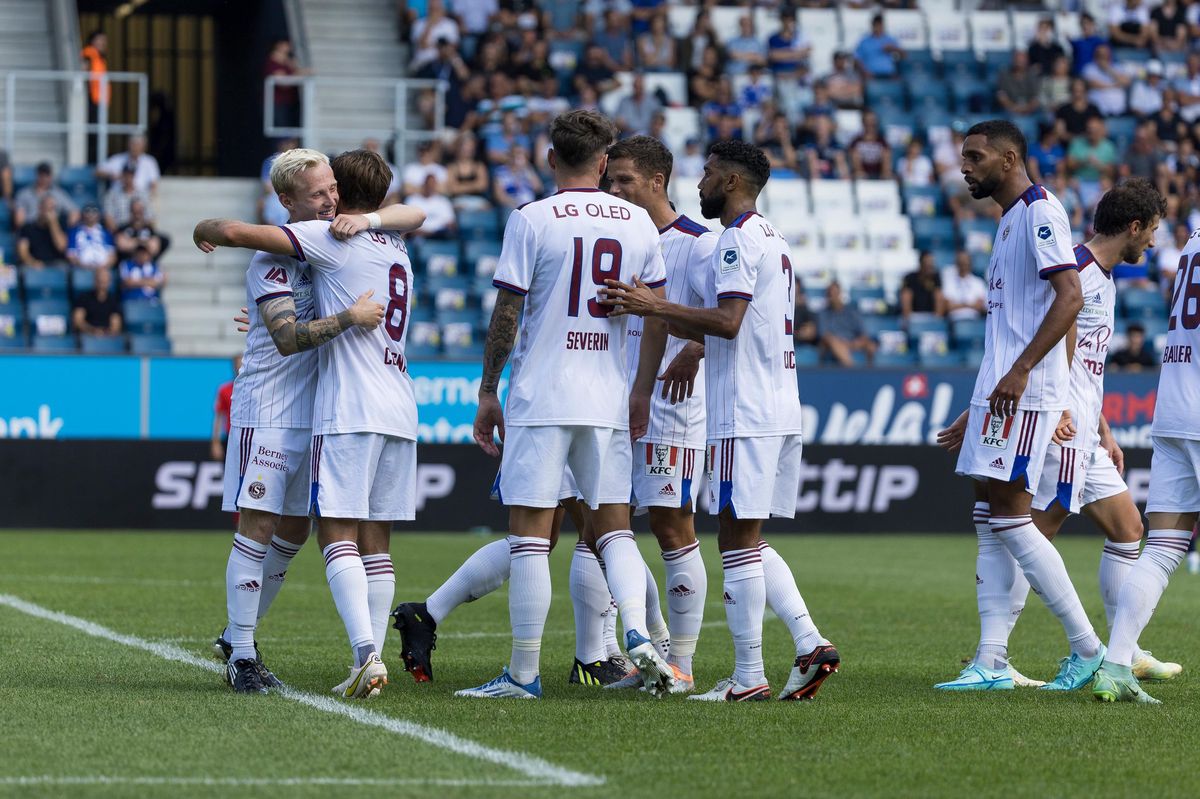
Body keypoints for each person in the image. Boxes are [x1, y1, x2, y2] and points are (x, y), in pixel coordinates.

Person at [601, 139, 839, 702]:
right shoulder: (771, 236)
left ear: (731, 181)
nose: (699, 182)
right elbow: (735, 322)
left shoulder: (733, 239)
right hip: (778, 405)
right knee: (747, 538)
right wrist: (672, 324)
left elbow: (729, 322)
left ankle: (748, 676)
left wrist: (657, 307)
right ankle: (808, 642)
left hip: (743, 410)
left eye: (708, 173)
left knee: (734, 542)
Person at [192, 149, 426, 697]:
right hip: (269, 410)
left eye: (333, 190)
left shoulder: (338, 243)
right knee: (258, 526)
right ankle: (243, 653)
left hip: (320, 412)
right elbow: (287, 339)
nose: (329, 200)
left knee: (296, 531)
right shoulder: (272, 258)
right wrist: (346, 318)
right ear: (287, 200)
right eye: (318, 193)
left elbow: (409, 215)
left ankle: (236, 632)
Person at [457, 110, 672, 700]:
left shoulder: (531, 218)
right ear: (603, 163)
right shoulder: (638, 222)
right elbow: (656, 313)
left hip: (542, 394)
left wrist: (488, 391)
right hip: (606, 395)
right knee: (614, 529)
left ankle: (523, 674)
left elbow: (507, 313)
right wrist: (640, 390)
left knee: (530, 534)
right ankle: (635, 629)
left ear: (551, 158)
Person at [932, 120, 1103, 693]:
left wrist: (1023, 370)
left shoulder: (1040, 212)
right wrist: (979, 402)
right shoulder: (1009, 219)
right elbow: (1009, 326)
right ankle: (992, 661)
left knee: (1010, 514)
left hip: (1026, 392)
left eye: (975, 157)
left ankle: (1088, 647)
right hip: (1002, 390)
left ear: (1009, 159)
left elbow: (1070, 298)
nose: (965, 167)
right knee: (989, 512)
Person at [1092, 223, 1200, 703]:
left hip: (1174, 408)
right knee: (1161, 551)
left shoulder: (1194, 239)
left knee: (1161, 550)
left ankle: (1116, 665)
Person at [818, 282, 875, 366]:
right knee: (833, 342)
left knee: (871, 346)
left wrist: (855, 343)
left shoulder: (851, 312)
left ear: (840, 294)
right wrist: (841, 342)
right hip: (834, 344)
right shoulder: (823, 313)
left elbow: (863, 333)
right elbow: (824, 335)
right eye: (830, 294)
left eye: (835, 293)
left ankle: (871, 372)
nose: (833, 297)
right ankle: (852, 371)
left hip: (852, 342)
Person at [13, 162, 78, 230]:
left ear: (51, 176)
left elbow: (74, 211)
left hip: (52, 229)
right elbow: (19, 221)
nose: (44, 178)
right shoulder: (24, 194)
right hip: (31, 229)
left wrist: (68, 227)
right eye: (41, 174)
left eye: (47, 175)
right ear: (36, 175)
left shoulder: (59, 193)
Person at [97, 134, 161, 196]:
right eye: (133, 144)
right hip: (118, 196)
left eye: (137, 145)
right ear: (128, 145)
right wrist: (113, 175)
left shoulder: (150, 161)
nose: (135, 148)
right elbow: (97, 172)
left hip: (138, 197)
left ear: (143, 147)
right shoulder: (118, 159)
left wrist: (149, 197)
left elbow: (154, 183)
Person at [16, 196, 68, 268]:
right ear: (40, 208)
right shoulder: (27, 227)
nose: (50, 213)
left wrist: (53, 224)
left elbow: (62, 247)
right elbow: (22, 251)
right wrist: (32, 262)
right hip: (35, 265)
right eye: (47, 209)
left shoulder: (60, 225)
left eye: (52, 209)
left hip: (57, 264)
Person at [81, 31, 109, 164]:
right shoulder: (89, 53)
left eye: (104, 40)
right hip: (92, 100)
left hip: (99, 101)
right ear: (92, 41)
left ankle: (96, 161)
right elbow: (83, 69)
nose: (102, 43)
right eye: (99, 40)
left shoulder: (99, 57)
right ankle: (91, 162)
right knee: (93, 134)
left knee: (98, 134)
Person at [1081, 45, 1132, 117]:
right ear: (1095, 56)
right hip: (1098, 110)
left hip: (1118, 110)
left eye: (1105, 55)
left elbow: (1126, 82)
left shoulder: (1118, 67)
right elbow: (1093, 84)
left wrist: (1108, 69)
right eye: (1100, 55)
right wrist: (1116, 85)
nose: (1103, 57)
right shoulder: (1089, 68)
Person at [71, 265, 121, 336]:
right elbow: (78, 321)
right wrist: (93, 331)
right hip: (87, 336)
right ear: (95, 281)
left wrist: (105, 333)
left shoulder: (113, 301)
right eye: (100, 281)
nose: (102, 284)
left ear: (109, 282)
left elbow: (116, 325)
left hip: (106, 336)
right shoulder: (84, 298)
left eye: (105, 281)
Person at [404, 174, 457, 239]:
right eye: (428, 184)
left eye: (433, 184)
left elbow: (451, 223)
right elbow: (407, 225)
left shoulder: (443, 201)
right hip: (419, 237)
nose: (430, 186)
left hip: (439, 236)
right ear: (424, 184)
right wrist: (426, 233)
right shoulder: (412, 200)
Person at [103, 163, 152, 231]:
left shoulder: (143, 194)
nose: (128, 178)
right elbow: (108, 217)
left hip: (139, 230)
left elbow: (149, 217)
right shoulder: (112, 194)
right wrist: (117, 233)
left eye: (131, 175)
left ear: (134, 176)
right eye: (126, 175)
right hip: (120, 229)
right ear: (122, 176)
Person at [66, 205, 117, 271]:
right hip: (81, 269)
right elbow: (71, 255)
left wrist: (102, 268)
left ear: (99, 215)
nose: (91, 214)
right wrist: (84, 266)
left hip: (103, 269)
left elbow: (112, 256)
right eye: (87, 211)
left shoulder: (106, 232)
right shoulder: (74, 231)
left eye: (94, 211)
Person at [901, 251, 946, 321]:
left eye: (931, 264)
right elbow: (905, 296)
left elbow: (939, 296)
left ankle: (937, 322)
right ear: (921, 264)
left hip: (931, 314)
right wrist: (909, 318)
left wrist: (937, 317)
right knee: (906, 294)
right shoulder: (910, 278)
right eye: (926, 264)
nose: (929, 266)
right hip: (914, 314)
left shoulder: (936, 278)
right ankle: (909, 322)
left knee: (939, 294)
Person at [942, 250, 987, 321]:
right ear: (956, 263)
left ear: (970, 263)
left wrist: (958, 305)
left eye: (965, 261)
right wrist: (970, 305)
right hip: (954, 321)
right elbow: (948, 306)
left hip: (974, 320)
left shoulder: (978, 283)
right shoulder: (949, 282)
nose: (963, 264)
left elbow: (979, 306)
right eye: (961, 261)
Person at [855, 14, 903, 78]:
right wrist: (865, 72)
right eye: (876, 25)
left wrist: (893, 48)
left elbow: (904, 55)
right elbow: (857, 59)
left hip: (889, 75)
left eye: (880, 25)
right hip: (872, 75)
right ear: (872, 25)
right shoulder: (865, 41)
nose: (878, 28)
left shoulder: (889, 39)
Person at [848, 109, 892, 180]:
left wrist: (885, 173)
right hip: (861, 175)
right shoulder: (856, 142)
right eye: (867, 121)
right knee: (858, 174)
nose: (870, 123)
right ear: (863, 122)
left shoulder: (883, 142)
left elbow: (886, 162)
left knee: (888, 175)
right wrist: (860, 173)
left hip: (878, 175)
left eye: (872, 120)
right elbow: (855, 162)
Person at [996, 50, 1042, 116]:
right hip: (1009, 109)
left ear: (1027, 61)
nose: (1019, 62)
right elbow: (1001, 96)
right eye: (1017, 59)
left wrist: (1028, 108)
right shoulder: (1004, 74)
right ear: (1013, 60)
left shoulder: (1032, 75)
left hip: (1030, 109)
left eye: (1022, 59)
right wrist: (1013, 107)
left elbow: (1036, 97)